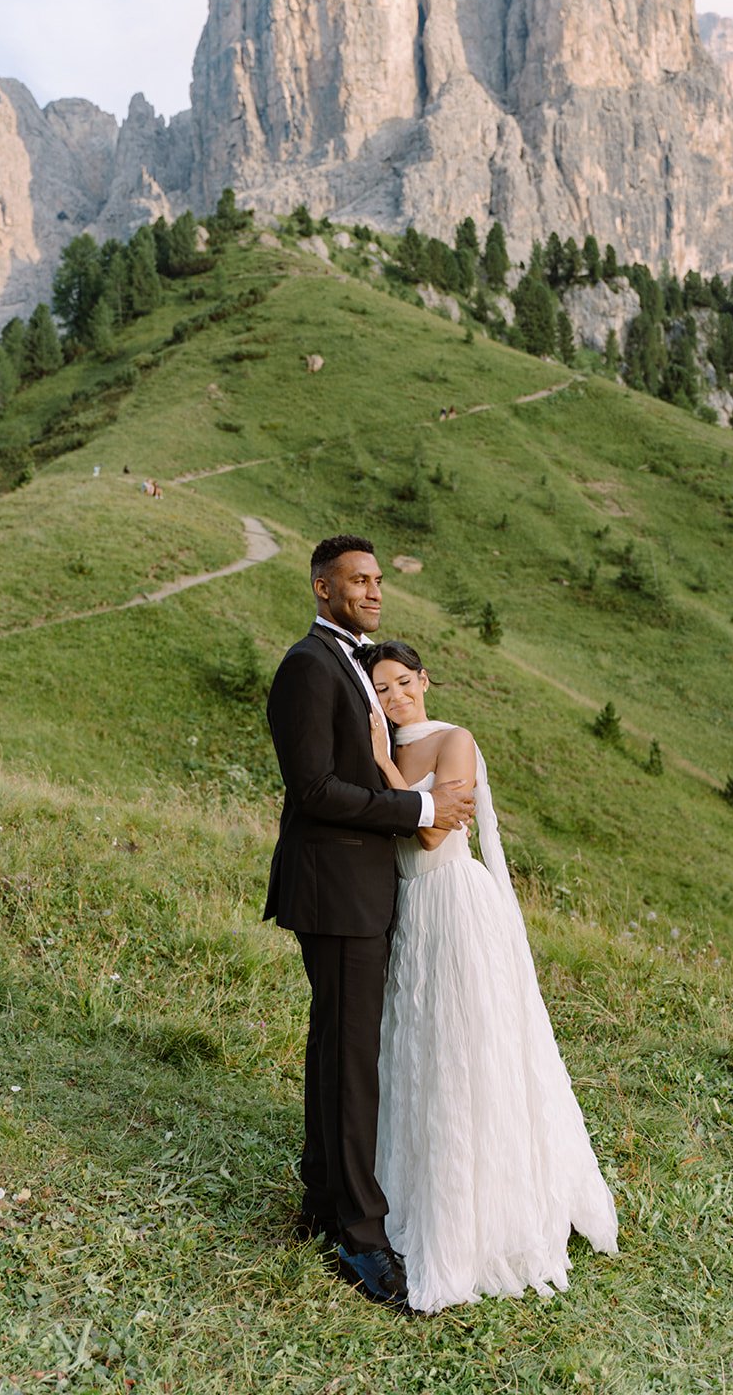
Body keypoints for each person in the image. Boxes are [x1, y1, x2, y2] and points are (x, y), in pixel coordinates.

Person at [362, 639, 619, 1314]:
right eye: (380, 691)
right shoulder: (380, 748)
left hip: (454, 902)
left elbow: (429, 833)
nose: (394, 698)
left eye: (400, 683)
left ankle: (488, 1206)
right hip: (409, 912)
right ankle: (417, 1188)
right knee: (419, 1052)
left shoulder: (454, 740)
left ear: (423, 679)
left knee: (470, 1049)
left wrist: (383, 763)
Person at [264, 537, 475, 1312]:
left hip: (354, 887)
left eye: (377, 580)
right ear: (322, 587)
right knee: (353, 1058)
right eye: (356, 580)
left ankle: (322, 1200)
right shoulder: (306, 666)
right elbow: (313, 787)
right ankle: (360, 1237)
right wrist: (418, 808)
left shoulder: (350, 662)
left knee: (336, 1043)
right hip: (335, 888)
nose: (371, 591)